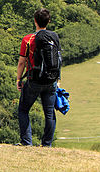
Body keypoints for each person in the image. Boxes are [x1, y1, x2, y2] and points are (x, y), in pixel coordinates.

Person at [16, 8, 62, 146]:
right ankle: (46, 144)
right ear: (48, 21)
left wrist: (19, 79)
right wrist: (58, 79)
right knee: (49, 113)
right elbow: (58, 59)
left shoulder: (28, 39)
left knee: (23, 110)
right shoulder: (54, 37)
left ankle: (26, 142)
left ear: (35, 21)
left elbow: (22, 62)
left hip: (34, 79)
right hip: (51, 80)